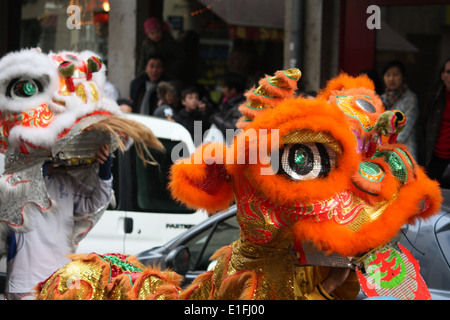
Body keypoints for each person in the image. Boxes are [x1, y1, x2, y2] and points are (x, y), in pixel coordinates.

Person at [5, 145, 113, 300]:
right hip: (27, 281)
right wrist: (37, 170)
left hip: (62, 280)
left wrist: (105, 174)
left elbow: (95, 202)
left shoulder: (65, 180)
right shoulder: (15, 181)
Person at [380, 60, 419, 160]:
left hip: (404, 152)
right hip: (385, 152)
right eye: (388, 75)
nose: (391, 78)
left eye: (396, 74)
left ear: (403, 77)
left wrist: (382, 140)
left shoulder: (410, 99)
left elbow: (404, 131)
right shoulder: (381, 99)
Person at [422, 58, 450, 187]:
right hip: (434, 156)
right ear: (442, 75)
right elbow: (425, 124)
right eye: (449, 72)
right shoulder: (435, 96)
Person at [210, 72, 247, 143]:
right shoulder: (227, 101)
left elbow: (234, 128)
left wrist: (215, 117)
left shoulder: (241, 106)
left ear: (233, 89)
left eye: (224, 87)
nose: (221, 90)